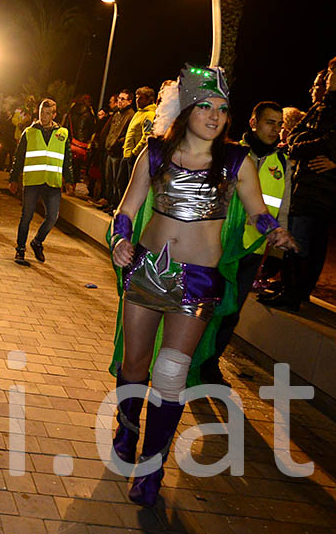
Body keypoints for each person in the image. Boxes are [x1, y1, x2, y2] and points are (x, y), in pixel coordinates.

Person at [107, 65, 297, 507]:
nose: (214, 116)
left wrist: (273, 231)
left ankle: (151, 469)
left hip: (197, 281)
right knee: (135, 366)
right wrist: (119, 240)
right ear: (187, 109)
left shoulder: (236, 161)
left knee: (171, 375)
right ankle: (127, 427)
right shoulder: (153, 153)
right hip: (148, 270)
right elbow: (127, 208)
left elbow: (256, 210)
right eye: (205, 107)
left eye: (223, 109)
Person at [201, 102, 290, 384]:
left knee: (231, 311)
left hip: (253, 250)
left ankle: (210, 365)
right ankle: (189, 358)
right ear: (254, 122)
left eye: (279, 124)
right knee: (206, 305)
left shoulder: (283, 163)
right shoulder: (229, 153)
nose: (275, 129)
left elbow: (283, 209)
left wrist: (275, 251)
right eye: (270, 122)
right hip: (221, 245)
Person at [262, 58, 336, 310]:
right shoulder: (320, 108)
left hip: (322, 191)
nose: (327, 79)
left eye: (331, 74)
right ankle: (288, 288)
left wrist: (330, 157)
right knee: (298, 238)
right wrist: (309, 144)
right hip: (305, 186)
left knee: (304, 242)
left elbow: (324, 141)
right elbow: (294, 136)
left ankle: (294, 294)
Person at [9, 98, 74, 264]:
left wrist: (69, 180)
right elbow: (19, 157)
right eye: (41, 113)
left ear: (54, 114)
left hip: (52, 182)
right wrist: (13, 178)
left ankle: (37, 242)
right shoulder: (29, 132)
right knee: (26, 216)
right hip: (32, 181)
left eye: (47, 113)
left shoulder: (63, 134)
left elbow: (68, 159)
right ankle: (20, 249)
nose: (43, 116)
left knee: (53, 217)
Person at [102, 89, 135, 213]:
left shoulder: (130, 115)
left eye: (123, 99)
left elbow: (127, 135)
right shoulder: (117, 114)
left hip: (118, 153)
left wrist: (117, 144)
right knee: (109, 179)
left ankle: (116, 205)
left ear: (129, 101)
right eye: (118, 99)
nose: (119, 101)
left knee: (117, 181)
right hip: (110, 151)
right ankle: (109, 202)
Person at [121, 86, 157, 181]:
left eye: (141, 98)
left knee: (127, 184)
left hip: (134, 156)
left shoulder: (149, 115)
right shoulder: (139, 113)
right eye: (137, 97)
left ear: (149, 99)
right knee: (119, 183)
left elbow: (146, 136)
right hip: (127, 154)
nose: (137, 100)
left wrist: (134, 153)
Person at [63, 94, 97, 191]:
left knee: (67, 163)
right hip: (81, 144)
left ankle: (64, 184)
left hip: (69, 141)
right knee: (77, 167)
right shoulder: (88, 113)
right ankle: (71, 186)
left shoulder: (71, 110)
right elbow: (93, 128)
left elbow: (66, 125)